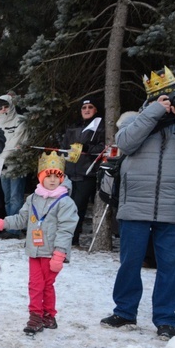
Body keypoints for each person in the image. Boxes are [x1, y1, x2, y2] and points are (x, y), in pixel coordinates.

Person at [100, 66, 175, 341]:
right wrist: (155, 112)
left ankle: (167, 319)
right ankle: (124, 311)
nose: (167, 101)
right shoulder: (136, 119)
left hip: (172, 207)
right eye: (161, 97)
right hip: (135, 204)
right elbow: (125, 143)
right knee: (130, 262)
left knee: (170, 265)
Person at [0, 152, 78, 334]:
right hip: (34, 251)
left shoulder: (65, 202)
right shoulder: (33, 198)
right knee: (36, 284)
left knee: (45, 285)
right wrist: (1, 223)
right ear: (41, 177)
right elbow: (22, 218)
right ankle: (41, 316)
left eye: (56, 176)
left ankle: (43, 316)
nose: (52, 180)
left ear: (61, 178)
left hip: (51, 253)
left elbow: (66, 229)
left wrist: (59, 253)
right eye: (48, 176)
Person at [62, 96, 106, 246]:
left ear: (96, 110)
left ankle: (73, 238)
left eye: (90, 107)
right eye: (84, 108)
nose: (86, 110)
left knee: (77, 207)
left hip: (87, 173)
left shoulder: (101, 126)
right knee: (67, 206)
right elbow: (64, 147)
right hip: (70, 172)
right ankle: (65, 237)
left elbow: (103, 148)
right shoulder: (74, 126)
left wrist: (87, 148)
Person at [0, 94, 30, 239]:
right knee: (7, 198)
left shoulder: (20, 121)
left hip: (16, 165)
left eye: (6, 106)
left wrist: (1, 158)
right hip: (1, 167)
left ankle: (15, 229)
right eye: (0, 108)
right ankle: (8, 226)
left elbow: (16, 143)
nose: (3, 110)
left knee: (16, 197)